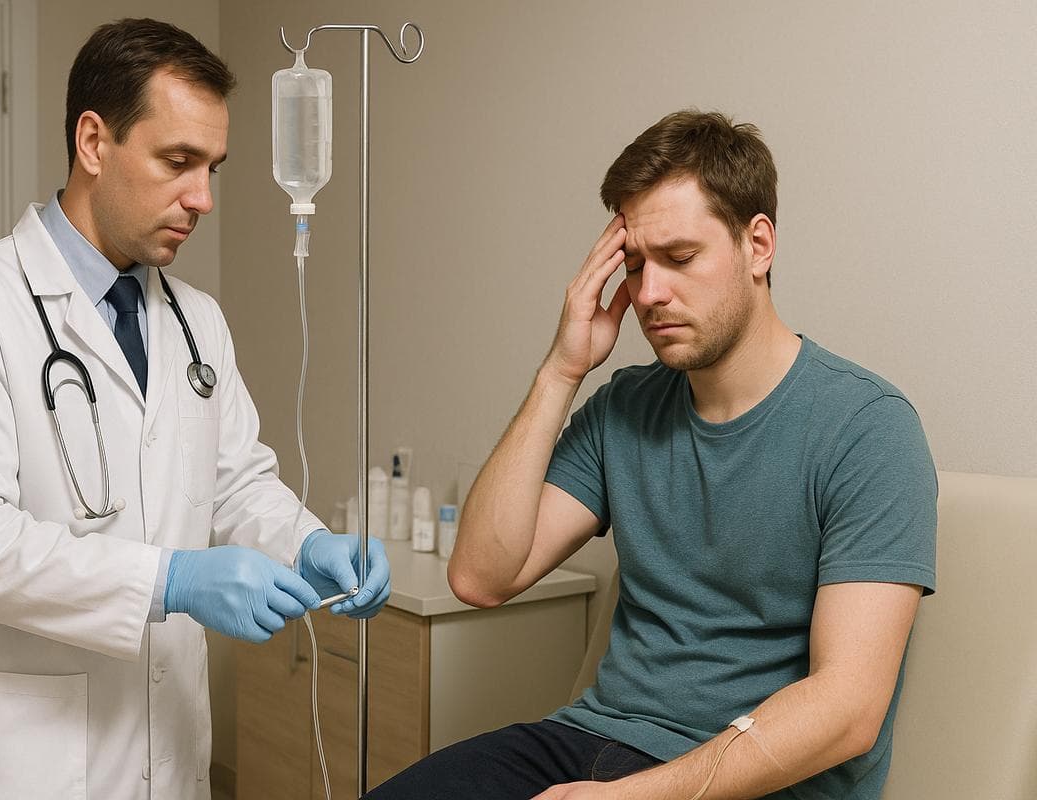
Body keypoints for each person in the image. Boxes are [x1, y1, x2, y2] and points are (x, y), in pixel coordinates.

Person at [365, 110, 936, 800]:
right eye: (635, 266)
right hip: (592, 741)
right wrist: (560, 372)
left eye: (681, 258)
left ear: (758, 245)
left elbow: (848, 710)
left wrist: (626, 798)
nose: (649, 294)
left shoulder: (868, 427)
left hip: (753, 781)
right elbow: (482, 577)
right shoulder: (625, 408)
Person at [0, 18, 390, 800]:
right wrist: (171, 580)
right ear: (94, 142)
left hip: (171, 751)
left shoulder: (197, 320)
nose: (203, 199)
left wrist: (309, 542)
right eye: (178, 161)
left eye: (212, 168)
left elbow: (235, 485)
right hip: (32, 761)